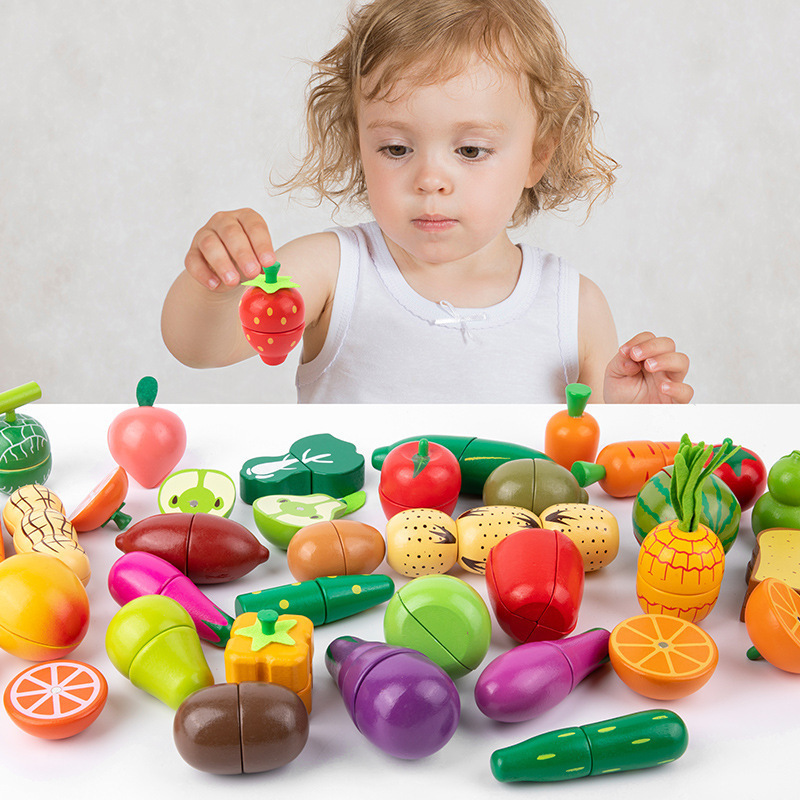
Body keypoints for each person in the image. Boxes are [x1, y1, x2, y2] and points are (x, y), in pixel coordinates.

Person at [162, 0, 692, 404]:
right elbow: (199, 348)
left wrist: (633, 416)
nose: (430, 180)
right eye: (396, 148)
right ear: (359, 144)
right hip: (354, 525)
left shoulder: (573, 306)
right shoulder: (334, 271)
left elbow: (596, 471)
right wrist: (216, 285)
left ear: (538, 155)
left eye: (470, 150)